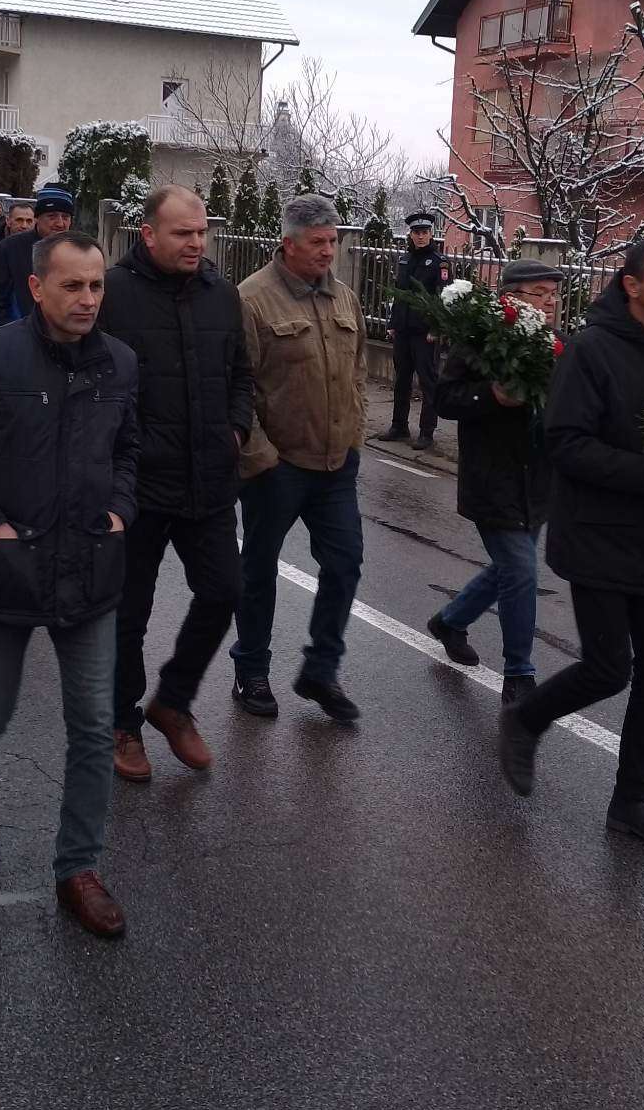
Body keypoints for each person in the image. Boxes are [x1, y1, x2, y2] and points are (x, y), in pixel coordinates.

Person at [0, 232, 138, 940]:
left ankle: (78, 868)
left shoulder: (120, 363)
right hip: (4, 571)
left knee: (95, 725)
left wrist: (120, 511)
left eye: (97, 285)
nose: (88, 299)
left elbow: (129, 449)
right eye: (73, 286)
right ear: (38, 288)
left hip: (89, 571)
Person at [497, 237, 644, 856]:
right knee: (608, 669)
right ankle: (527, 717)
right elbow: (566, 445)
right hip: (598, 535)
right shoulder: (589, 350)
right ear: (631, 285)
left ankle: (631, 803)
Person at [97, 185, 254, 782]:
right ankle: (122, 723)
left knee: (224, 591)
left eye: (202, 231)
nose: (196, 242)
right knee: (128, 612)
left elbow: (241, 373)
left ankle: (173, 701)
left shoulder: (222, 295)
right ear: (148, 235)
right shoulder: (113, 294)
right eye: (183, 233)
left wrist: (236, 429)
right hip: (136, 485)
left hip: (208, 479)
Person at [231, 193, 368, 722]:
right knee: (258, 568)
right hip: (277, 465)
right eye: (318, 243)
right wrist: (260, 455)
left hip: (336, 465)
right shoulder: (254, 299)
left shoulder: (345, 298)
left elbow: (356, 369)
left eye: (333, 241)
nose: (328, 251)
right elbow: (240, 382)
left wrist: (354, 432)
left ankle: (320, 670)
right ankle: (252, 669)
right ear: (288, 244)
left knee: (345, 563)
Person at [426, 259, 563, 705]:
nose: (550, 302)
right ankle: (519, 673)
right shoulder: (481, 339)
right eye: (540, 293)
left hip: (539, 481)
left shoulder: (558, 344)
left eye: (554, 294)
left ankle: (450, 621)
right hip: (493, 480)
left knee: (509, 568)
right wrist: (494, 396)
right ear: (513, 297)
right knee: (522, 570)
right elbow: (444, 398)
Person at [374, 211, 451, 452]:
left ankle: (427, 432)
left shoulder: (440, 263)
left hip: (425, 334)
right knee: (401, 381)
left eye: (424, 232)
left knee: (428, 382)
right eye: (416, 233)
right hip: (404, 331)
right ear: (411, 234)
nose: (420, 236)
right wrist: (393, 325)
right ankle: (399, 426)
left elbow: (443, 298)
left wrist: (437, 329)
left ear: (431, 234)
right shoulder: (405, 260)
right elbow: (399, 295)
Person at [0, 186, 74, 330]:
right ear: (38, 218)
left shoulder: (77, 251)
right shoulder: (9, 248)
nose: (60, 223)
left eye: (65, 217)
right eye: (52, 216)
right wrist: (14, 335)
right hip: (17, 337)